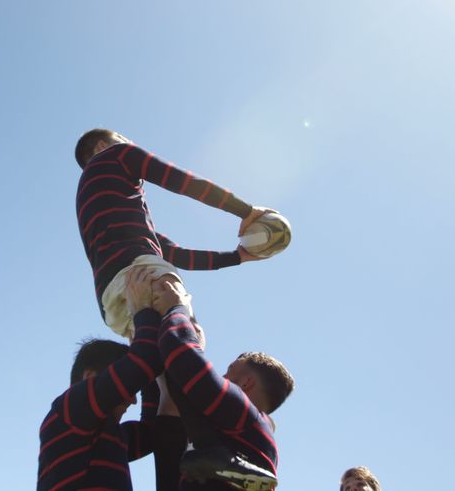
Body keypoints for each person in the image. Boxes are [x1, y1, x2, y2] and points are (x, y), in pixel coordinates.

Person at [74, 128, 273, 338]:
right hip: (143, 272)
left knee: (156, 363)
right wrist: (246, 210)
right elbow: (181, 181)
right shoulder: (117, 154)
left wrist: (237, 257)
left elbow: (177, 255)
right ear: (102, 146)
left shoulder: (98, 207)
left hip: (110, 301)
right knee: (188, 339)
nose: (130, 143)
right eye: (124, 139)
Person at [150, 276, 295, 490]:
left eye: (228, 373)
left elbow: (181, 354)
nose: (222, 378)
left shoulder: (245, 413)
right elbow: (177, 389)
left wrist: (176, 306)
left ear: (245, 383)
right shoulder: (249, 437)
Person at [37, 269, 165, 491]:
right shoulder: (68, 409)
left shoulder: (108, 436)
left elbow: (153, 433)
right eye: (128, 390)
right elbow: (143, 362)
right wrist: (142, 310)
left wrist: (148, 372)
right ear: (90, 378)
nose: (132, 401)